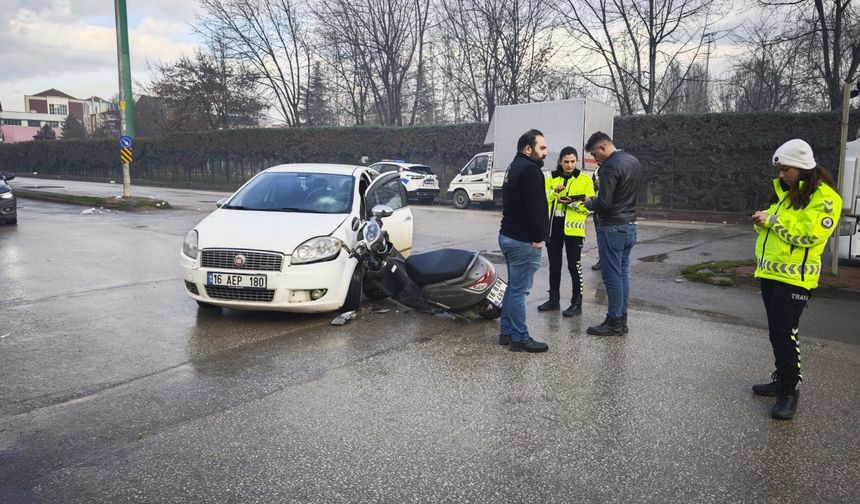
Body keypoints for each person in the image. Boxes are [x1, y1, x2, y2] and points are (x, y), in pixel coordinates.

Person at [751, 139, 842, 420]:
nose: (780, 175)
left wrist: (772, 221)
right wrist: (763, 222)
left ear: (802, 168)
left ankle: (790, 391)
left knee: (785, 333)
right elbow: (777, 235)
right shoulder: (788, 195)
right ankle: (782, 379)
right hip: (771, 274)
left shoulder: (826, 199)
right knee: (777, 332)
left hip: (795, 280)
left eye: (785, 170)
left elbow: (809, 235)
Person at [582, 132, 644, 336]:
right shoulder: (633, 161)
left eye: (594, 154)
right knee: (622, 274)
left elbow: (604, 203)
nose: (594, 159)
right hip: (629, 225)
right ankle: (620, 318)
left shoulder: (609, 166)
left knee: (612, 278)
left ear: (602, 148)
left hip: (612, 228)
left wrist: (590, 202)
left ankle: (614, 322)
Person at [498, 129, 550, 353]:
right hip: (523, 241)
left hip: (508, 235)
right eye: (542, 148)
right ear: (528, 149)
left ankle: (506, 331)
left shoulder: (513, 167)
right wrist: (539, 237)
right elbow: (535, 208)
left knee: (513, 288)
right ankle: (520, 338)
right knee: (520, 291)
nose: (546, 152)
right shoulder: (530, 170)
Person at [537, 146, 595, 317]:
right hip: (554, 227)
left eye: (572, 161)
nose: (569, 165)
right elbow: (543, 201)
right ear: (560, 162)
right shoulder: (551, 178)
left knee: (574, 266)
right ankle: (553, 299)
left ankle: (577, 303)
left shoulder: (584, 179)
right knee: (554, 265)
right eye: (566, 162)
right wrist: (554, 194)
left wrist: (571, 202)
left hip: (573, 230)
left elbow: (590, 207)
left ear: (576, 161)